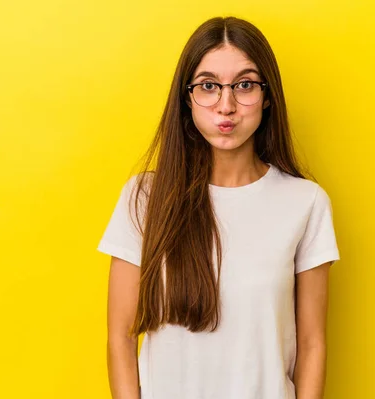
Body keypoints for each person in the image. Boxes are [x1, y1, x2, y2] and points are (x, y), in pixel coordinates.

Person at [97, 15, 341, 399]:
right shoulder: (144, 197)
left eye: (244, 85)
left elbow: (312, 344)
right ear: (187, 98)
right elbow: (121, 338)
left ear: (267, 96)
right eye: (209, 86)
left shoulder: (305, 203)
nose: (226, 105)